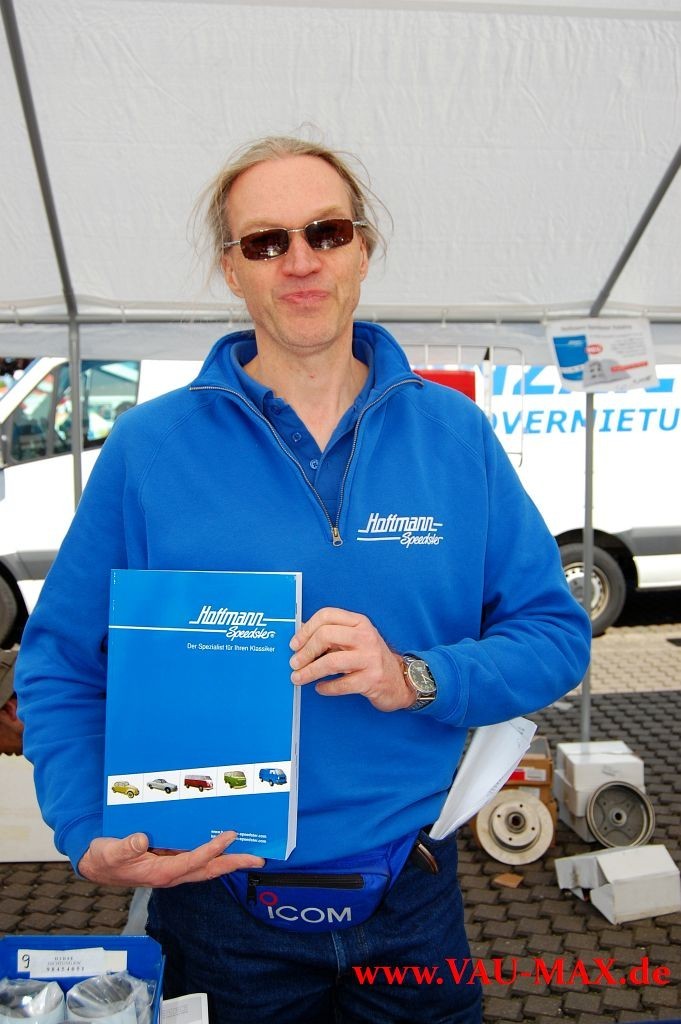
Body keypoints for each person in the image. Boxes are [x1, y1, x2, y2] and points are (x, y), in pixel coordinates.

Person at [15, 136, 591, 1024]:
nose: (300, 261)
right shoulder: (149, 448)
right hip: (213, 903)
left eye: (325, 232)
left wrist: (416, 676)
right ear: (231, 269)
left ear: (363, 249)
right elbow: (60, 664)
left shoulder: (454, 436)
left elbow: (553, 636)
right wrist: (84, 827)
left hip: (410, 899)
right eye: (265, 241)